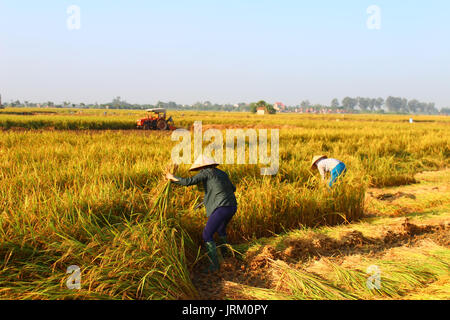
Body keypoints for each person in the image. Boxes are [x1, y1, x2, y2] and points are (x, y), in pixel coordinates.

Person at [165, 155, 237, 273]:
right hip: (232, 207)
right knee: (221, 230)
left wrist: (172, 177)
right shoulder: (222, 173)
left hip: (221, 208)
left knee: (206, 234)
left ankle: (214, 266)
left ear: (202, 167)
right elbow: (232, 189)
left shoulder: (206, 172)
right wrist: (214, 193)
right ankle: (227, 256)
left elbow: (188, 182)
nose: (199, 171)